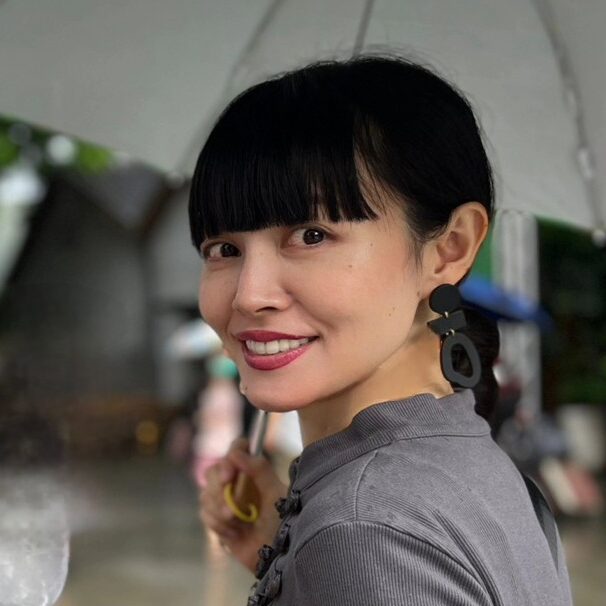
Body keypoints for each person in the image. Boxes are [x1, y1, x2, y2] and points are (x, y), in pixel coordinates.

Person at [191, 55, 573, 605]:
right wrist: (282, 556)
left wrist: (333, 547)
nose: (249, 295)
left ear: (450, 248)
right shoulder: (481, 473)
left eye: (312, 235)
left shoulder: (363, 530)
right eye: (224, 249)